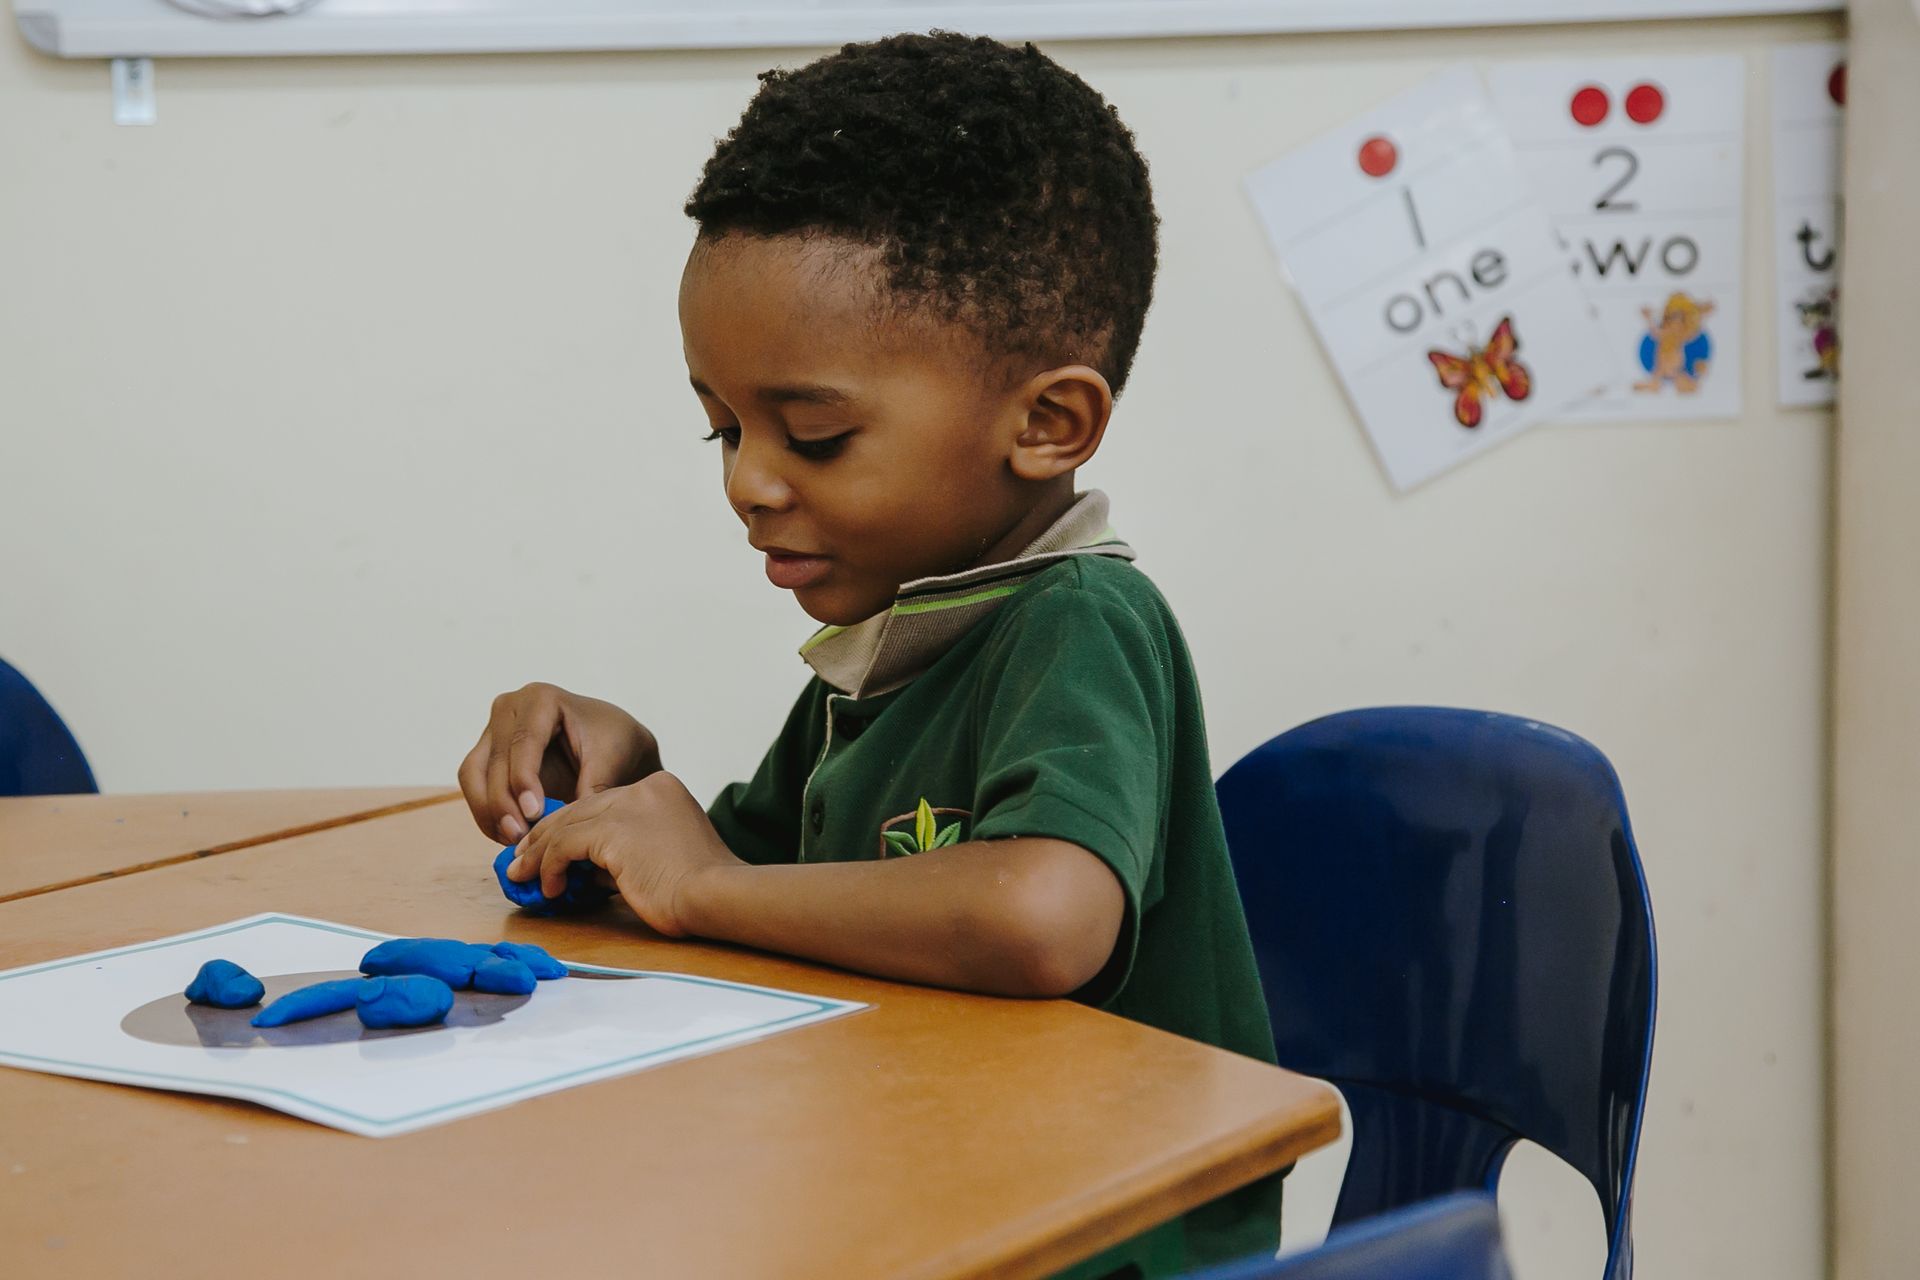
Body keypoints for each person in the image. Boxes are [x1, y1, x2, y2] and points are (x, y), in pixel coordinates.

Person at [458, 32, 1279, 1277]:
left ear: (1047, 423)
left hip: (1090, 1242)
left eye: (816, 434)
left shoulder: (1077, 624)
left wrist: (699, 885)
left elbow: (1045, 915)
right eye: (721, 429)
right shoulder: (888, 647)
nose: (747, 481)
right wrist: (618, 793)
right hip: (908, 1200)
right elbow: (754, 889)